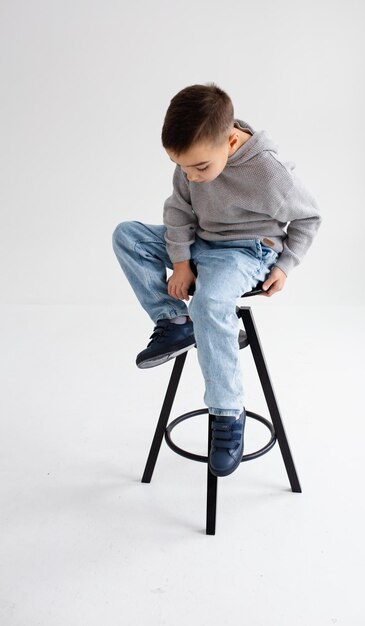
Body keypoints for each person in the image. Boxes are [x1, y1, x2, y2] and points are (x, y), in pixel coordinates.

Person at [112, 83, 322, 478]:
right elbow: (178, 210)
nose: (192, 176)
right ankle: (175, 322)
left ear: (230, 140)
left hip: (245, 252)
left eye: (200, 168)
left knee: (210, 303)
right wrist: (180, 262)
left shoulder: (268, 173)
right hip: (201, 243)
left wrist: (285, 265)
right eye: (184, 167)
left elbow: (309, 217)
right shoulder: (195, 157)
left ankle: (228, 413)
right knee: (127, 235)